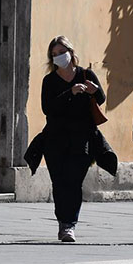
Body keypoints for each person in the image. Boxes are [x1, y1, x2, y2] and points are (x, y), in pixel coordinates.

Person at [41, 35, 106, 242]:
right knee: (59, 182)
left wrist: (95, 91)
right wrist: (70, 92)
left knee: (74, 181)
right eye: (54, 54)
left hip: (82, 138)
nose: (59, 57)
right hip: (55, 138)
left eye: (62, 52)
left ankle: (70, 225)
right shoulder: (50, 80)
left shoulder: (86, 74)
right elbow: (48, 108)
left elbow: (101, 99)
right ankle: (63, 223)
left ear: (71, 52)